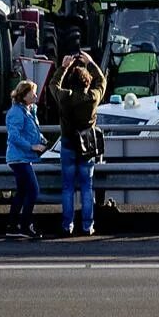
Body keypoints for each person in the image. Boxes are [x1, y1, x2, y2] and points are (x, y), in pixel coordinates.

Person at [50, 51, 104, 237]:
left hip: (67, 145)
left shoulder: (64, 97)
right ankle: (87, 226)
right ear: (87, 82)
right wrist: (90, 63)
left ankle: (67, 225)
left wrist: (64, 67)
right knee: (87, 187)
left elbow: (53, 85)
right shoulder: (92, 98)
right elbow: (101, 82)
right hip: (87, 146)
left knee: (68, 188)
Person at [3, 79, 45, 240]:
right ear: (24, 95)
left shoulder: (27, 110)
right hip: (18, 158)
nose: (35, 94)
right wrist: (32, 147)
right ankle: (25, 225)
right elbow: (14, 136)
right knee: (33, 190)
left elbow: (33, 131)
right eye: (32, 92)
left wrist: (42, 142)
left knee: (22, 192)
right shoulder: (16, 112)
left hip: (22, 158)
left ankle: (12, 226)